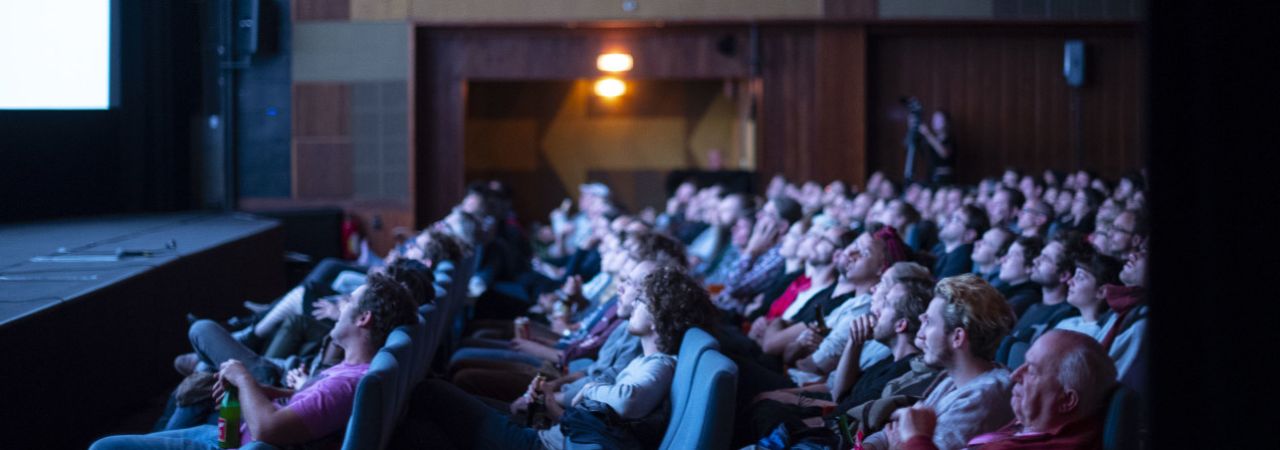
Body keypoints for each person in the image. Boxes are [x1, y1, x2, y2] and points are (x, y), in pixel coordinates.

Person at [90, 273, 419, 450]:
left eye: (347, 301)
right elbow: (304, 403)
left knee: (104, 448)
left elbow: (267, 429)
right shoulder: (350, 370)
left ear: (363, 319)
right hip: (236, 432)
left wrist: (243, 376)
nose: (339, 305)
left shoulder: (347, 384)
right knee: (200, 385)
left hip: (238, 441)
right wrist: (261, 389)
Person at [409, 266, 718, 449]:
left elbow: (625, 402)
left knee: (431, 392)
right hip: (546, 435)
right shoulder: (644, 362)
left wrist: (576, 394)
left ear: (658, 316)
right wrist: (549, 401)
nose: (630, 302)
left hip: (542, 444)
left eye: (640, 301)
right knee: (427, 423)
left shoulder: (662, 365)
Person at [860, 274, 1017, 450]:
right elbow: (887, 433)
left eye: (929, 322)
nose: (920, 335)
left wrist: (898, 443)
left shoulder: (983, 397)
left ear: (957, 337)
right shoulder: (951, 379)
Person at [892, 330, 1117, 449]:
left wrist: (916, 438)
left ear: (1067, 400)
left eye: (1033, 371)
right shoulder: (1037, 427)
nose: (1015, 375)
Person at [931, 205, 988, 278]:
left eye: (956, 219)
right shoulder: (940, 247)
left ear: (969, 235)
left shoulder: (962, 257)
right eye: (951, 217)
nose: (947, 221)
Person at [916, 110, 955, 185]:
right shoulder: (931, 139)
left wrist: (927, 134)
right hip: (931, 176)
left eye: (939, 119)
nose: (935, 122)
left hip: (945, 178)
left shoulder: (950, 139)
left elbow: (944, 153)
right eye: (934, 119)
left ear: (946, 122)